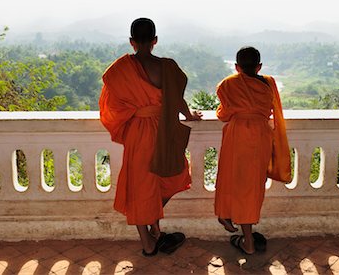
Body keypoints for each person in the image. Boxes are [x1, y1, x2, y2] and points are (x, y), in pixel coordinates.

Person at [99, 18, 202, 256]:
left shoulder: (120, 70)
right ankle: (152, 232)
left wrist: (133, 113)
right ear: (155, 41)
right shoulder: (167, 66)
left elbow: (112, 106)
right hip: (164, 129)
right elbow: (177, 99)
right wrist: (189, 115)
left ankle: (150, 235)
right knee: (171, 178)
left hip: (138, 132)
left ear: (132, 41)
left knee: (140, 187)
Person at [214, 46, 291, 255]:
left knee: (232, 179)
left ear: (236, 67)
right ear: (259, 66)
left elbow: (223, 114)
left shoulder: (228, 84)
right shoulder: (269, 83)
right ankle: (237, 226)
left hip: (237, 136)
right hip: (260, 137)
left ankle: (242, 234)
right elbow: (272, 110)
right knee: (251, 187)